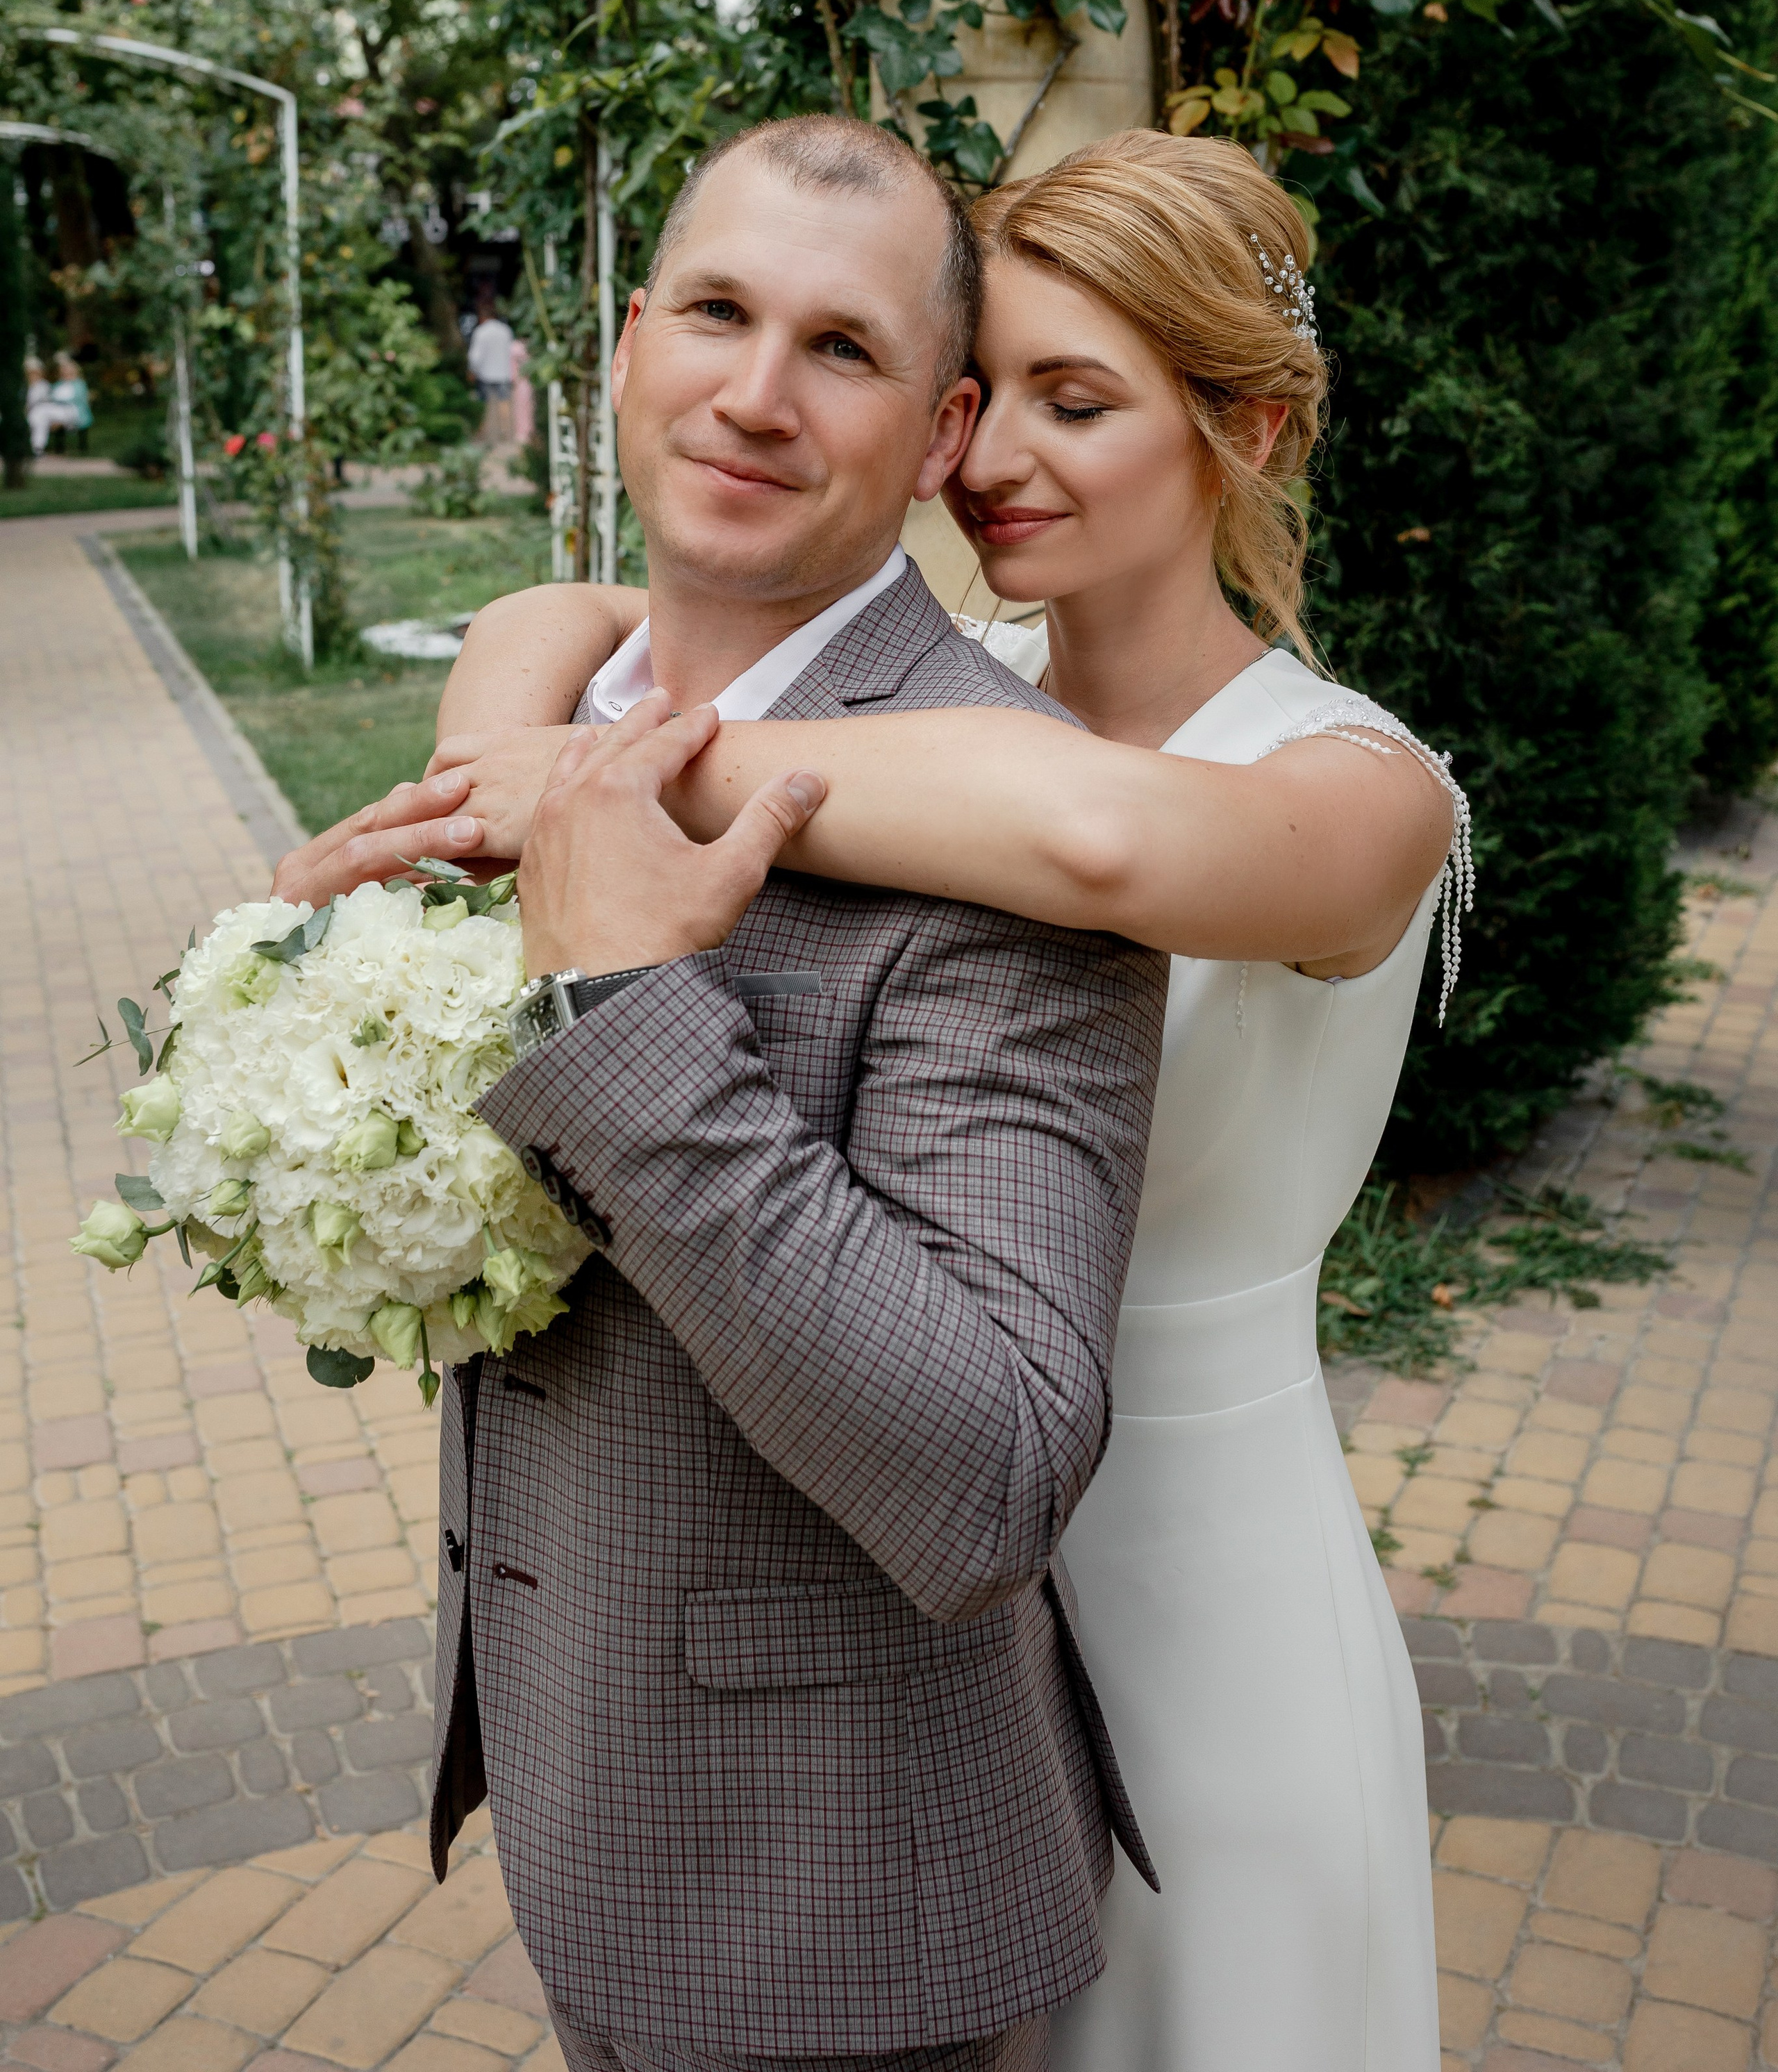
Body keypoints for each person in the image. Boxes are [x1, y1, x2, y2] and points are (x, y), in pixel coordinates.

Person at [315, 129, 1461, 2071]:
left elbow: (1094, 842)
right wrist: (510, 747)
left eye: (1073, 401)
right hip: (898, 1626)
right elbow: (581, 605)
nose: (995, 456)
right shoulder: (963, 697)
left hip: (1184, 1565)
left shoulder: (1347, 785)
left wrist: (608, 799)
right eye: (984, 394)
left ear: (1251, 431)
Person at [466, 298, 515, 443]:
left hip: (486, 373)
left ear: (482, 317)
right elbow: (511, 352)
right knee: (504, 402)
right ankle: (505, 430)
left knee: (484, 403)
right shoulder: (505, 331)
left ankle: (484, 431)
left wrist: (472, 370)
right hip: (503, 372)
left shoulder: (481, 332)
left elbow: (475, 356)